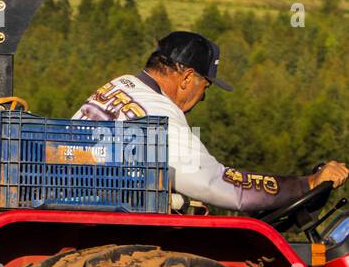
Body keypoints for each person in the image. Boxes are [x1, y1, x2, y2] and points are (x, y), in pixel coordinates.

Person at [74, 31, 346, 211]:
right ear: (187, 78)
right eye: (206, 87)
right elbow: (217, 184)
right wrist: (306, 184)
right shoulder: (158, 114)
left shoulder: (121, 85)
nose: (203, 98)